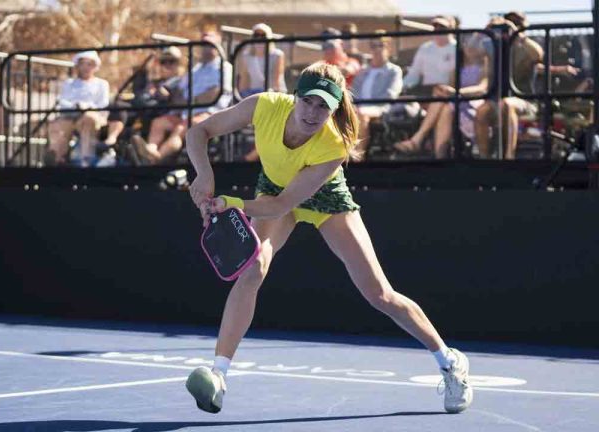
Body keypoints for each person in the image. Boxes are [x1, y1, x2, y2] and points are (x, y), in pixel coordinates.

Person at [183, 61, 473, 414]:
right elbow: (199, 132)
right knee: (253, 269)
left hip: (324, 201)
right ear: (295, 96)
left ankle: (449, 361)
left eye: (323, 106)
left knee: (379, 294)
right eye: (307, 101)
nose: (312, 112)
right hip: (273, 188)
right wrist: (204, 175)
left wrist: (231, 204)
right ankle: (218, 375)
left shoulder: (333, 145)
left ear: (334, 109)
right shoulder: (264, 106)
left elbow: (282, 205)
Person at [132, 30, 233, 165]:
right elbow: (180, 91)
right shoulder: (196, 69)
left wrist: (190, 101)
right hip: (186, 112)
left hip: (209, 114)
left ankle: (155, 159)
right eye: (202, 43)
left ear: (218, 44)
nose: (205, 47)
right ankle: (150, 150)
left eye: (209, 43)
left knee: (181, 129)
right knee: (159, 123)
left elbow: (214, 93)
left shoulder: (224, 68)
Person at [396, 33, 490, 158]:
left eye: (474, 44)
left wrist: (457, 92)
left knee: (446, 105)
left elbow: (482, 88)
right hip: (456, 103)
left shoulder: (484, 66)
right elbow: (451, 86)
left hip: (474, 103)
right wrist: (446, 90)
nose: (470, 48)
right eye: (467, 44)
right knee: (445, 105)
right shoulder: (458, 67)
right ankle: (438, 155)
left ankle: (418, 140)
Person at [474, 13, 542, 159]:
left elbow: (538, 55)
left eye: (516, 23)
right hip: (495, 100)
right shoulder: (493, 45)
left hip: (525, 102)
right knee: (482, 111)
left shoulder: (525, 46)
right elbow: (470, 53)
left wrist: (517, 33)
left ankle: (508, 156)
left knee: (507, 104)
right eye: (508, 22)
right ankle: (484, 158)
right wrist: (485, 31)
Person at [46, 50, 112, 167]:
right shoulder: (69, 83)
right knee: (57, 125)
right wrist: (75, 106)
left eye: (89, 64)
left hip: (94, 117)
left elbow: (103, 104)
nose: (86, 67)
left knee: (87, 120)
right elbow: (63, 101)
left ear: (95, 67)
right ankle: (57, 157)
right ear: (78, 66)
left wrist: (87, 107)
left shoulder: (102, 84)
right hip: (71, 116)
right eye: (83, 64)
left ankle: (85, 160)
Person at [351, 32, 403, 158]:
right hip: (358, 107)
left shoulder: (394, 71)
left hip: (380, 107)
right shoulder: (363, 71)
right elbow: (352, 92)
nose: (377, 49)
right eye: (373, 46)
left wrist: (364, 107)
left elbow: (391, 94)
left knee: (361, 114)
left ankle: (357, 157)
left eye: (381, 45)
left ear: (388, 48)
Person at [402, 16, 457, 96]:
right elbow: (414, 73)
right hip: (426, 94)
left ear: (451, 29)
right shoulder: (425, 48)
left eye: (442, 27)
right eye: (435, 26)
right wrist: (402, 88)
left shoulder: (457, 48)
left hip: (448, 94)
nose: (437, 30)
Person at [236, 23, 287, 97]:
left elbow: (276, 80)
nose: (259, 38)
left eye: (263, 35)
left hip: (271, 92)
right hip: (252, 93)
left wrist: (275, 97)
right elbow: (244, 78)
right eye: (256, 35)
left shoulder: (277, 55)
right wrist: (241, 97)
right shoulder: (246, 55)